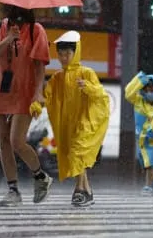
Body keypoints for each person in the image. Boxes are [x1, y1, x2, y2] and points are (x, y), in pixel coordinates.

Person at [0, 5, 52, 207]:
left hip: (25, 93)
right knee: (3, 142)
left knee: (16, 141)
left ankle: (40, 177)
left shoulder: (35, 30)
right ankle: (13, 190)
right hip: (1, 91)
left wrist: (38, 93)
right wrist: (8, 39)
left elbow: (40, 66)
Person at [43, 30, 110, 207]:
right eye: (61, 54)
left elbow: (101, 96)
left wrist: (87, 87)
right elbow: (47, 95)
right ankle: (86, 191)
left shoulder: (86, 73)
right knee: (74, 155)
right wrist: (36, 105)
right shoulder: (57, 77)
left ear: (76, 52)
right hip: (67, 124)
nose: (64, 58)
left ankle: (80, 190)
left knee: (77, 152)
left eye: (68, 53)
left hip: (85, 122)